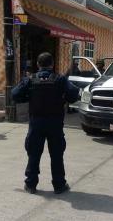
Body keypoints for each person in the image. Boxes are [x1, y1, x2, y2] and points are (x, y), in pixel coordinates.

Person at [11, 52, 79, 194]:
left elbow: (15, 94)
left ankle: (30, 185)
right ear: (52, 64)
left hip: (36, 123)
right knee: (56, 155)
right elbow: (74, 94)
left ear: (37, 64)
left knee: (34, 154)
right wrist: (63, 98)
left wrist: (28, 97)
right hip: (55, 123)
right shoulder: (60, 79)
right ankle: (59, 185)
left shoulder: (30, 79)